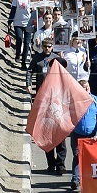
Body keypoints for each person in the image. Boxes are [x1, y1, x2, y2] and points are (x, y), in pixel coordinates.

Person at [26, 38, 68, 172]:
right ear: (42, 46)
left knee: (59, 132)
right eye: (45, 46)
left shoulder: (56, 59)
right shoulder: (37, 58)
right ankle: (51, 163)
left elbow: (65, 74)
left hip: (56, 99)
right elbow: (29, 71)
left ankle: (61, 164)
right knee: (47, 132)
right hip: (43, 100)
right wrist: (29, 84)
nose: (47, 49)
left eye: (50, 46)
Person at [70, 79, 97, 190]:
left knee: (91, 157)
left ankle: (91, 180)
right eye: (83, 88)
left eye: (87, 88)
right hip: (77, 134)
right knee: (77, 156)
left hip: (92, 134)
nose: (86, 90)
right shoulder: (74, 101)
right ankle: (75, 179)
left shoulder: (95, 100)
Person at [7, 0, 34, 69]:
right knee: (19, 38)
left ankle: (23, 62)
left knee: (27, 43)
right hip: (18, 22)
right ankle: (18, 54)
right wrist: (9, 21)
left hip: (28, 23)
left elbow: (35, 10)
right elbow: (13, 9)